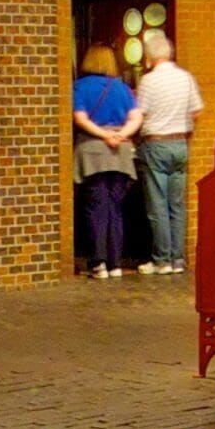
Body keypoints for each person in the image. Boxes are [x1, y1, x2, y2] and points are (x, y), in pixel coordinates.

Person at [131, 28, 202, 274]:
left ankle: (162, 259)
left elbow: (140, 113)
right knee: (177, 204)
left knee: (158, 205)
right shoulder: (186, 77)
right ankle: (178, 259)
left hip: (156, 144)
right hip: (180, 143)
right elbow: (196, 111)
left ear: (150, 56)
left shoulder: (148, 81)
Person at [71, 44, 141, 278]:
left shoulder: (80, 86)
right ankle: (115, 263)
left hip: (92, 152)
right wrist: (120, 135)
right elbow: (136, 117)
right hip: (120, 153)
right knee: (115, 207)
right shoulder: (122, 88)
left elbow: (80, 118)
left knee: (96, 207)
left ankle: (98, 262)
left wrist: (103, 135)